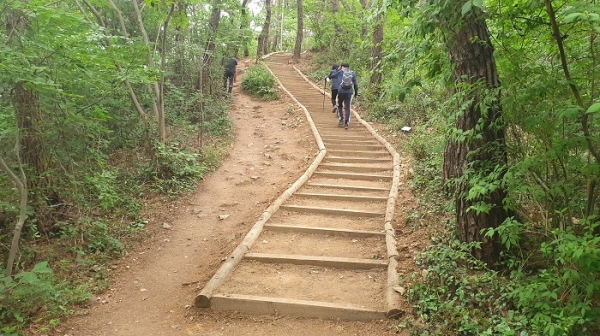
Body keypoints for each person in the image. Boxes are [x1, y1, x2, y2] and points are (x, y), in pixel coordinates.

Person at [335, 62, 358, 130]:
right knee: (347, 107)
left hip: (341, 92)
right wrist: (356, 93)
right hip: (349, 92)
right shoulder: (352, 73)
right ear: (348, 67)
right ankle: (346, 123)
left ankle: (341, 119)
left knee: (339, 105)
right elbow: (355, 85)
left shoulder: (340, 72)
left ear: (342, 66)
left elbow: (336, 81)